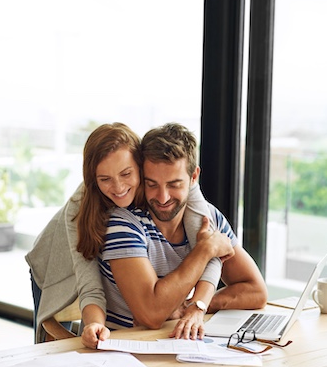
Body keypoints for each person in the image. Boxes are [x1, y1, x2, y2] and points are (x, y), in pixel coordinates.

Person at [26, 122, 222, 348]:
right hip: (55, 266)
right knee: (50, 350)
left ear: (141, 166)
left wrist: (196, 305)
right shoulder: (79, 208)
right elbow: (89, 283)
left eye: (126, 173)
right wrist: (93, 324)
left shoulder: (171, 187)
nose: (118, 187)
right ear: (93, 178)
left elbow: (209, 245)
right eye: (105, 179)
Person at [100, 123, 268, 341]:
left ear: (193, 177)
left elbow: (256, 291)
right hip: (125, 352)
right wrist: (205, 250)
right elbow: (152, 315)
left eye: (174, 184)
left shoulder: (209, 217)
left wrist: (194, 306)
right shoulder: (124, 224)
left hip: (176, 347)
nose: (162, 197)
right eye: (152, 184)